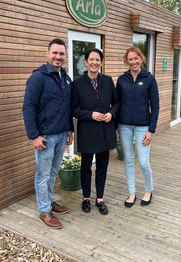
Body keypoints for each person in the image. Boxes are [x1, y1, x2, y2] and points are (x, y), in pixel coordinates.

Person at [23, 38, 73, 228]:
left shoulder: (65, 78)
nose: (58, 57)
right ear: (48, 54)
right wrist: (34, 136)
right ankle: (44, 211)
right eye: (55, 53)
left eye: (61, 53)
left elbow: (67, 106)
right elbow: (28, 107)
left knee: (53, 172)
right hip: (45, 137)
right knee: (42, 175)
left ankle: (49, 201)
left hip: (61, 134)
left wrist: (70, 128)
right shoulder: (38, 77)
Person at [71, 48, 119, 215]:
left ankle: (100, 198)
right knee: (85, 167)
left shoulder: (107, 80)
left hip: (105, 131)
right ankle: (85, 198)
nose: (94, 62)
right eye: (91, 59)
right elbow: (73, 110)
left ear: (101, 62)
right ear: (86, 62)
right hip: (87, 132)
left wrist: (111, 114)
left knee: (102, 167)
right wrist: (90, 114)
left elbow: (116, 103)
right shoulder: (76, 84)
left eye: (97, 60)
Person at [116, 46, 159, 208]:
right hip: (124, 125)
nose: (133, 62)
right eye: (130, 59)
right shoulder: (122, 80)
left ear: (141, 59)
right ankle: (132, 192)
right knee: (128, 160)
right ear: (126, 61)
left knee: (142, 162)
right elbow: (117, 104)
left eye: (136, 58)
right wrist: (115, 127)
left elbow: (155, 106)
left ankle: (148, 189)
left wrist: (151, 130)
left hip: (143, 127)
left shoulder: (149, 78)